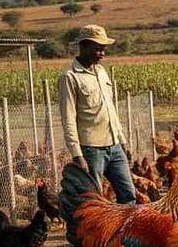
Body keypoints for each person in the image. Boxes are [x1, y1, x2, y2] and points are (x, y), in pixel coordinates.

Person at [58, 24, 136, 204]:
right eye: (98, 49)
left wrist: (121, 140)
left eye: (104, 49)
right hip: (91, 149)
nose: (102, 54)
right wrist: (77, 154)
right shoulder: (70, 77)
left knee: (128, 194)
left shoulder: (101, 71)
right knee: (95, 200)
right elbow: (68, 118)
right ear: (84, 46)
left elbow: (111, 109)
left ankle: (125, 224)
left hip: (114, 145)